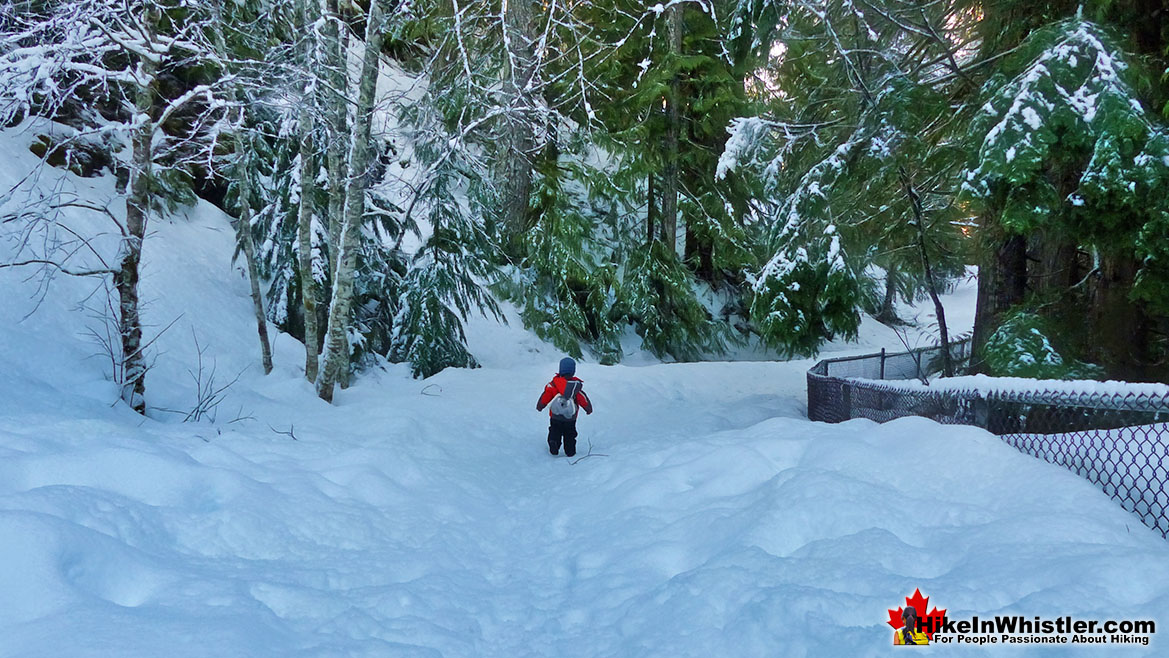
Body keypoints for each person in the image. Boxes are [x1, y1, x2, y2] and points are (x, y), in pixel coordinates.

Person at [535, 357, 593, 457]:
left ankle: (554, 442)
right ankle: (570, 451)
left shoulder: (553, 384)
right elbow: (582, 398)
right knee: (570, 434)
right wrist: (588, 408)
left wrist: (540, 405)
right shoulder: (575, 386)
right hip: (570, 417)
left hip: (555, 415)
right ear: (573, 371)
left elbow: (546, 395)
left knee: (554, 430)